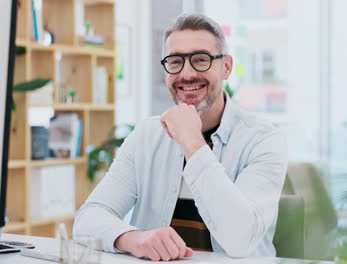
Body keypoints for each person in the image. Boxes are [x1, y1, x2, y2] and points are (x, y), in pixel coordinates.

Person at [74, 13, 287, 261]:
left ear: (226, 67)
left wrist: (192, 143)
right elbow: (89, 218)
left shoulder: (263, 140)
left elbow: (240, 240)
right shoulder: (147, 135)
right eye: (175, 62)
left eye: (200, 59)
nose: (186, 74)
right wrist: (133, 238)